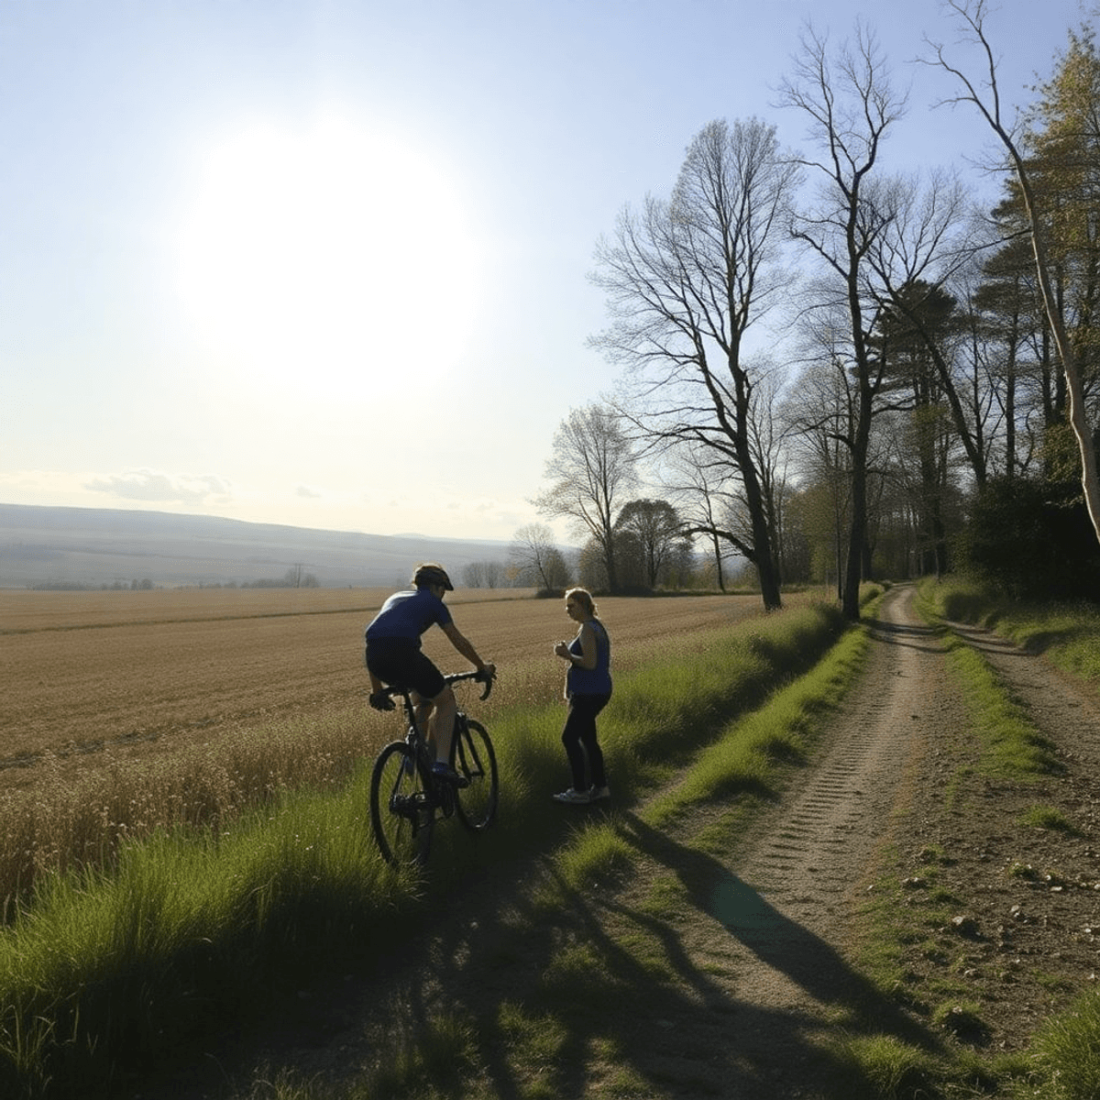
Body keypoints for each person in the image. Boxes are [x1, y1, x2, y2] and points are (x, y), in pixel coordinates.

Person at [365, 563, 495, 785]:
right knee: (446, 701)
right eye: (444, 589)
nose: (443, 595)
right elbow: (458, 640)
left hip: (374, 656)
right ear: (437, 587)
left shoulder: (396, 597)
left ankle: (412, 751)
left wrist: (377, 690)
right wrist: (481, 667)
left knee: (422, 697)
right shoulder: (434, 603)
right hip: (404, 653)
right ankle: (442, 765)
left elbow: (376, 638)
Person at [552, 586, 611, 804]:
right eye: (566, 606)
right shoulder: (594, 626)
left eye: (571, 606)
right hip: (596, 689)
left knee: (569, 737)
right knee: (588, 739)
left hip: (589, 691)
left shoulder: (588, 628)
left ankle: (580, 791)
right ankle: (600, 787)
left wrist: (568, 655)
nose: (568, 610)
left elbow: (590, 662)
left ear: (584, 605)